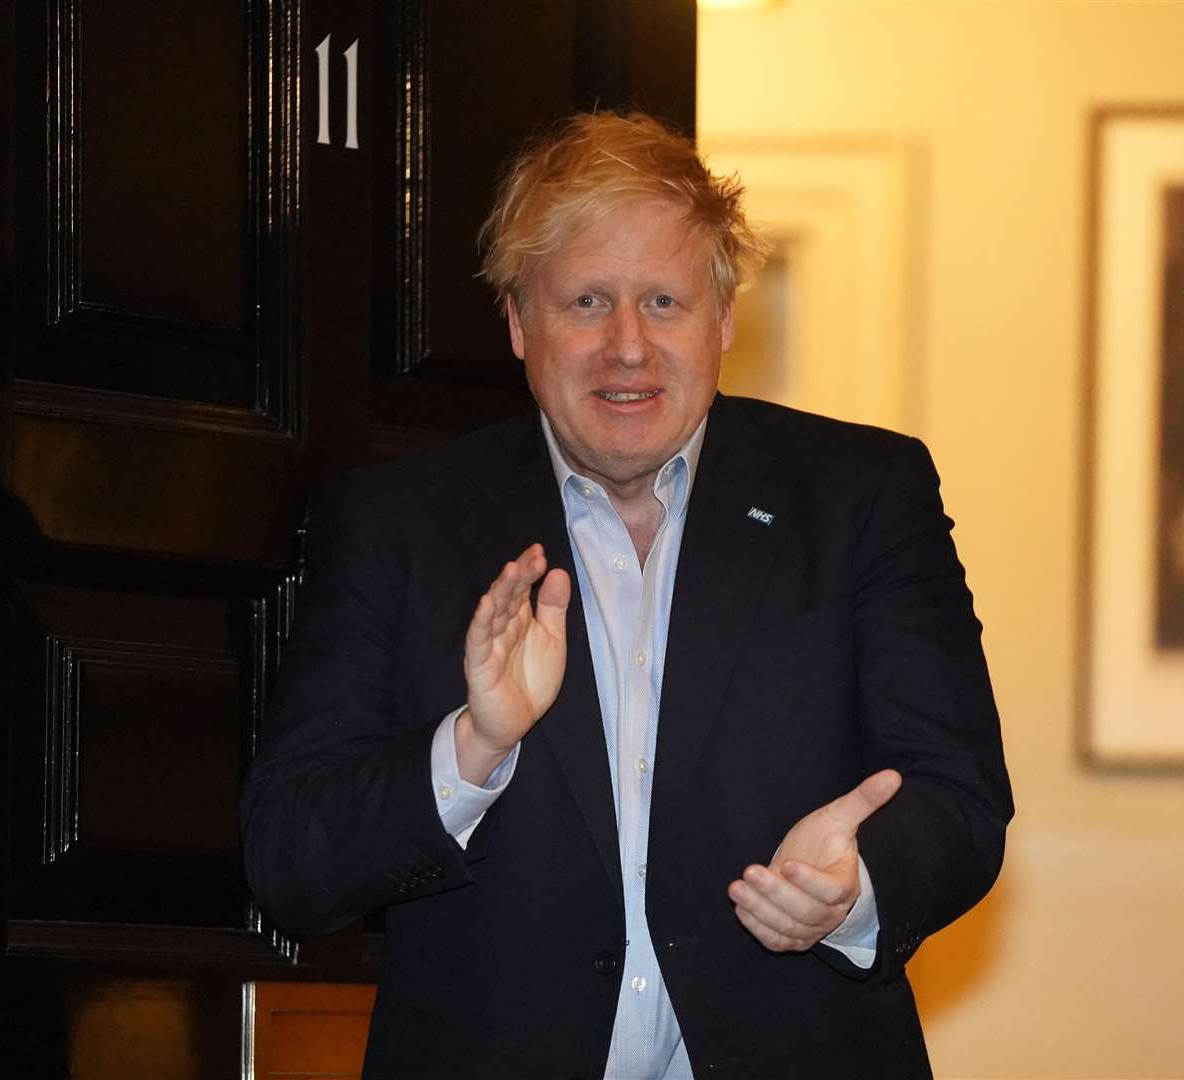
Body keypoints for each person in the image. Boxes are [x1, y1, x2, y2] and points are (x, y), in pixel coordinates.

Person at [240, 111, 1012, 1079]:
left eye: (662, 302)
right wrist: (471, 748)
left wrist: (854, 888)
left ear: (723, 317)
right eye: (586, 303)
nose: (627, 349)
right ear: (518, 321)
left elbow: (959, 797)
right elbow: (291, 863)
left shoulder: (862, 498)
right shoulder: (400, 526)